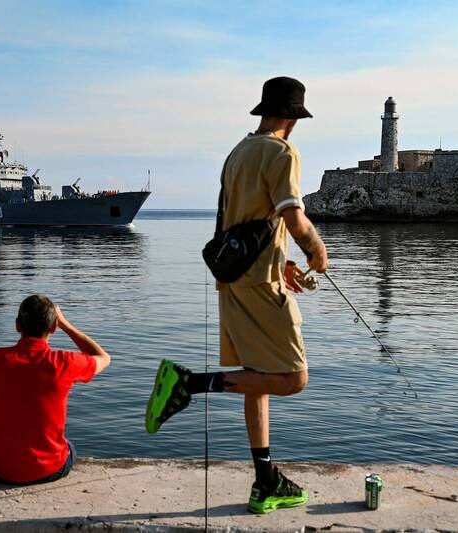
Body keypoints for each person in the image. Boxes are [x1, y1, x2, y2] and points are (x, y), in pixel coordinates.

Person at [144, 76, 329, 514]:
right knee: (292, 379)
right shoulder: (282, 152)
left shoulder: (238, 152)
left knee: (257, 379)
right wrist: (316, 251)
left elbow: (244, 222)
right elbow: (293, 217)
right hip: (260, 288)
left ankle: (265, 482)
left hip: (234, 278)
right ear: (293, 118)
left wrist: (280, 261)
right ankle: (189, 383)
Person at [0, 294, 111, 485]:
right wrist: (66, 325)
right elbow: (104, 358)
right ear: (53, 328)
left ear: (17, 326)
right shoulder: (63, 362)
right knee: (69, 447)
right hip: (46, 470)